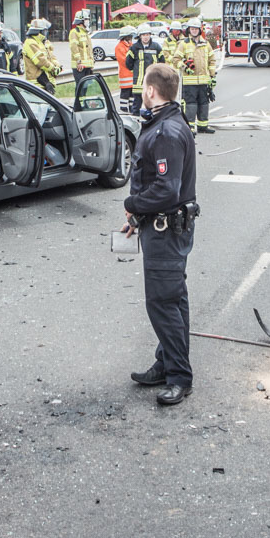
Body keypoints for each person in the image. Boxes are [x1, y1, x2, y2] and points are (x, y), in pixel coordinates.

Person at [121, 63, 198, 408]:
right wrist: (138, 217)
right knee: (173, 300)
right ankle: (166, 363)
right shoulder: (168, 122)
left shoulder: (166, 131)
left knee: (163, 303)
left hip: (166, 230)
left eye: (143, 87)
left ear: (151, 91)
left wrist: (132, 202)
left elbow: (167, 189)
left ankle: (179, 377)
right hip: (163, 225)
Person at [180, 19, 214, 134]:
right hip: (189, 82)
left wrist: (212, 77)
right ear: (189, 30)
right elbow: (176, 59)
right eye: (192, 29)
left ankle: (203, 126)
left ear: (200, 30)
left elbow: (212, 60)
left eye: (196, 29)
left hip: (204, 81)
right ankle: (189, 127)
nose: (194, 31)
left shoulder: (205, 44)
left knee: (204, 103)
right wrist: (185, 66)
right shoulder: (184, 44)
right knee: (190, 104)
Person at [127, 28, 163, 111]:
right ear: (140, 36)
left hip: (152, 80)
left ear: (150, 35)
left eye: (147, 35)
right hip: (138, 82)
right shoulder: (134, 48)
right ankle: (135, 121)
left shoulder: (156, 47)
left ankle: (152, 121)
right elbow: (128, 63)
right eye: (143, 35)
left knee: (152, 103)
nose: (146, 37)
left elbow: (162, 62)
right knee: (137, 103)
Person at [22, 18, 61, 92]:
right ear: (39, 31)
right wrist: (53, 69)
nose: (46, 33)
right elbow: (41, 61)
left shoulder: (42, 42)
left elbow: (51, 57)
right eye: (45, 30)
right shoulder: (30, 43)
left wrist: (57, 65)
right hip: (36, 84)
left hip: (45, 82)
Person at [69, 11, 94, 88]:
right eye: (86, 19)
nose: (88, 21)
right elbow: (74, 48)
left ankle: (83, 100)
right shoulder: (74, 32)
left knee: (86, 87)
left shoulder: (86, 33)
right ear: (81, 21)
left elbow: (89, 49)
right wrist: (78, 61)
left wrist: (92, 63)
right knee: (81, 87)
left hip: (87, 66)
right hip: (80, 66)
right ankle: (79, 100)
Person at [114, 26, 136, 109]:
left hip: (132, 75)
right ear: (125, 37)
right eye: (130, 36)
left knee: (132, 94)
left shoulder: (131, 46)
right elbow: (124, 61)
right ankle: (123, 110)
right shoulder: (119, 47)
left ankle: (131, 109)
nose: (131, 38)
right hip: (125, 76)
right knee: (125, 94)